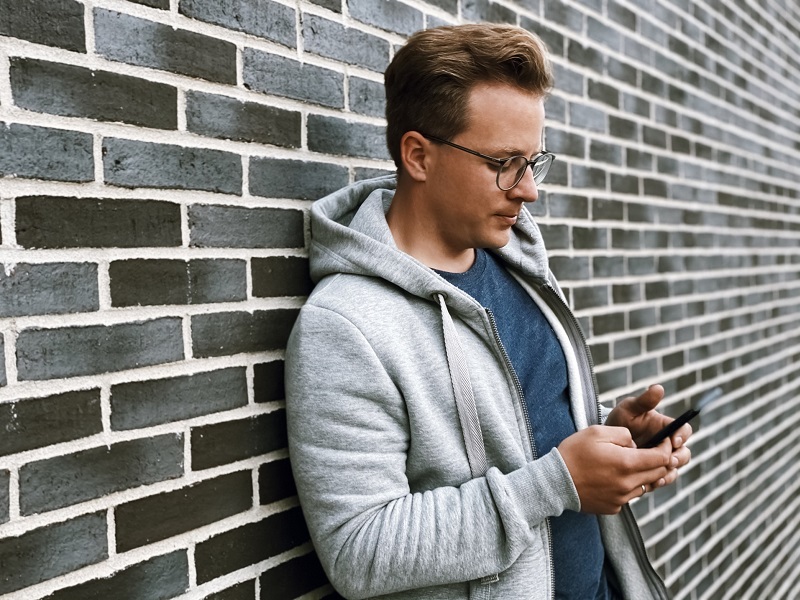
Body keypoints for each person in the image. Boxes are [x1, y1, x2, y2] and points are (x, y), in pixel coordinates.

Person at [285, 23, 691, 600]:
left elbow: (518, 418)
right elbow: (360, 550)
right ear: (419, 155)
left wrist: (607, 431)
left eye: (534, 162)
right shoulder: (345, 326)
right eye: (504, 163)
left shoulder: (517, 267)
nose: (528, 191)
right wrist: (557, 485)